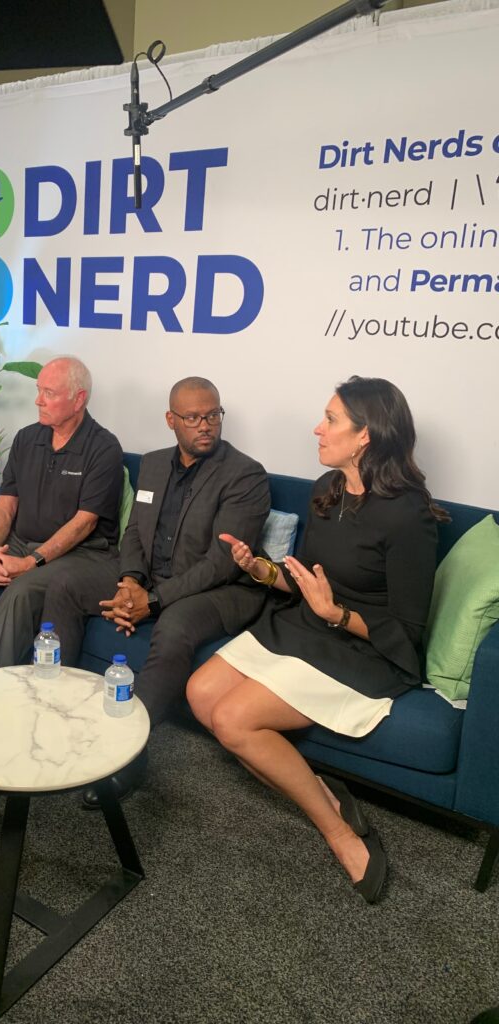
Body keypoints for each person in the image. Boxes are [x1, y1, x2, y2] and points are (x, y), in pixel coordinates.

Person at [186, 376, 445, 903]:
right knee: (200, 694)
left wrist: (338, 614)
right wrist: (259, 569)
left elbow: (409, 631)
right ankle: (326, 791)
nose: (318, 429)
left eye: (330, 420)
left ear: (366, 435)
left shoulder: (409, 516)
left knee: (233, 720)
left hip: (365, 648)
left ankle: (339, 832)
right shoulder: (326, 492)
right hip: (308, 624)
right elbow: (302, 580)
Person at [43, 376, 271, 807]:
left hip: (220, 589)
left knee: (177, 623)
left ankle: (126, 756)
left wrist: (153, 601)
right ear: (171, 420)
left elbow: (221, 564)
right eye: (193, 418)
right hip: (149, 580)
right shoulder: (152, 463)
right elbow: (135, 532)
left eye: (213, 416)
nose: (205, 425)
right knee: (66, 584)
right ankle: (56, 706)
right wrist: (130, 580)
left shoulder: (245, 475)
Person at [0, 355, 123, 674]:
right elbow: (6, 502)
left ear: (78, 400)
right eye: (39, 390)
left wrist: (31, 563)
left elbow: (84, 523)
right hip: (20, 542)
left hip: (80, 555)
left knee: (19, 593)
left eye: (49, 393)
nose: (38, 400)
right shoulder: (27, 438)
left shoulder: (103, 448)